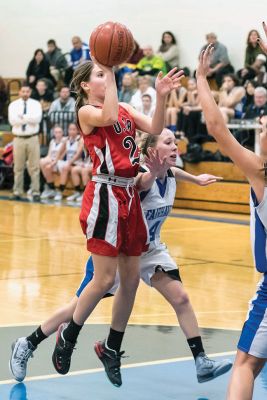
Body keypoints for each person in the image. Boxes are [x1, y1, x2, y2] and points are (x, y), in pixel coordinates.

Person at [9, 129, 232, 387]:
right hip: (118, 253)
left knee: (181, 298)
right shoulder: (135, 176)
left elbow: (172, 173)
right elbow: (142, 183)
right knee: (76, 309)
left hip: (150, 250)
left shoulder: (168, 173)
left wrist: (195, 179)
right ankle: (28, 343)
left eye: (175, 142)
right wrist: (154, 172)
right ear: (151, 151)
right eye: (168, 143)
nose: (176, 147)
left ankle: (201, 361)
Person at [49, 59, 184, 381]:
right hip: (105, 194)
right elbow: (107, 116)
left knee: (132, 279)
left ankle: (111, 346)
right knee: (105, 279)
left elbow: (153, 128)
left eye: (105, 73)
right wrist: (110, 68)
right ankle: (69, 336)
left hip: (129, 196)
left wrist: (162, 95)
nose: (105, 77)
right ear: (85, 85)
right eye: (99, 74)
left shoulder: (123, 106)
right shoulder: (86, 111)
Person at [196, 33, 267, 400]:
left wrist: (200, 80)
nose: (261, 127)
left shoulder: (260, 172)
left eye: (264, 128)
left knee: (245, 365)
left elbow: (216, 128)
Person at [8, 84, 42, 201]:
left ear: (30, 92)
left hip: (32, 138)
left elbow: (37, 119)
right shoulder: (13, 105)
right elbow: (12, 121)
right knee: (18, 167)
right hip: (18, 138)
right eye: (23, 91)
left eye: (27, 91)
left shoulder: (36, 104)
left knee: (34, 167)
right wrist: (28, 118)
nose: (25, 93)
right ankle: (17, 192)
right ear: (19, 92)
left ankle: (36, 192)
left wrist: (22, 117)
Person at [52, 122, 83, 201]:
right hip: (70, 163)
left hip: (79, 162)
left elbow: (78, 154)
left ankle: (61, 190)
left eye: (74, 129)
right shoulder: (66, 139)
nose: (71, 131)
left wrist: (70, 162)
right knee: (63, 167)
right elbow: (60, 151)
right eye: (70, 129)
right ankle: (65, 191)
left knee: (66, 167)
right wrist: (56, 160)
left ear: (78, 130)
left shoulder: (80, 139)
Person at [40, 125, 65, 200]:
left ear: (62, 133)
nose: (58, 134)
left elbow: (61, 156)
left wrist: (52, 163)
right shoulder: (52, 141)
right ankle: (50, 188)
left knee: (46, 167)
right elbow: (49, 155)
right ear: (54, 133)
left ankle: (50, 187)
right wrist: (45, 160)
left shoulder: (64, 141)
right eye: (56, 132)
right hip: (52, 159)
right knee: (41, 162)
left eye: (59, 132)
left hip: (59, 161)